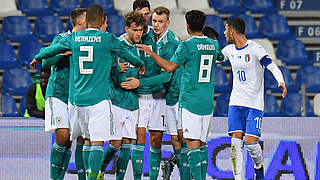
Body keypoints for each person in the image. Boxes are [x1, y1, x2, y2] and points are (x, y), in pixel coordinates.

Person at [30, 4, 144, 180]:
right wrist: (140, 63)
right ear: (100, 20)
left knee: (82, 140)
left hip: (77, 99)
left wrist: (37, 57)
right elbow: (128, 55)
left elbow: (46, 52)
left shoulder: (74, 38)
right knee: (85, 140)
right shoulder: (103, 38)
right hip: (82, 96)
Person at [137, 10, 220, 180]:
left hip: (189, 100)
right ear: (203, 26)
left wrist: (152, 54)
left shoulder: (185, 45)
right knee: (201, 144)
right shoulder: (214, 45)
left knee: (191, 143)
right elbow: (221, 56)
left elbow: (169, 68)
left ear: (187, 26)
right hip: (207, 102)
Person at [121, 6, 187, 180]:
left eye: (159, 21)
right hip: (140, 94)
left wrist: (139, 80)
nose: (155, 24)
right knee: (139, 137)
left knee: (157, 139)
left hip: (161, 94)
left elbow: (167, 75)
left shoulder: (170, 41)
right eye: (154, 21)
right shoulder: (139, 35)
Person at [221, 17, 287, 180]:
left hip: (254, 103)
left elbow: (271, 64)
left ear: (232, 31)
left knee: (251, 143)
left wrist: (281, 81)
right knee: (235, 143)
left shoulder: (255, 48)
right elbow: (214, 57)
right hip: (236, 102)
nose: (224, 33)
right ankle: (238, 178)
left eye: (225, 29)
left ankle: (259, 167)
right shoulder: (229, 50)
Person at [96, 11, 145, 180]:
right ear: (126, 29)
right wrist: (114, 67)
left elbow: (144, 71)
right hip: (116, 100)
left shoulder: (141, 49)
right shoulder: (115, 44)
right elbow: (101, 68)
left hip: (132, 101)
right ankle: (101, 169)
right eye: (135, 30)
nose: (138, 34)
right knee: (115, 144)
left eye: (141, 30)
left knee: (127, 144)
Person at [40, 8, 88, 180]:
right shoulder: (61, 38)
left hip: (76, 96)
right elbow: (46, 61)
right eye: (87, 19)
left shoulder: (87, 42)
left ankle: (60, 177)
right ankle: (54, 177)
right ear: (80, 21)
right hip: (58, 93)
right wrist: (61, 53)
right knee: (62, 135)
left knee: (71, 140)